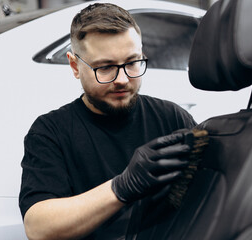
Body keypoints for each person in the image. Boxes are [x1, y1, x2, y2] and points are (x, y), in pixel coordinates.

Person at [19, 3, 197, 240]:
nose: (122, 79)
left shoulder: (172, 118)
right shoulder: (50, 132)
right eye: (105, 67)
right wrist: (121, 187)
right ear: (75, 66)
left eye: (132, 62)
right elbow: (38, 228)